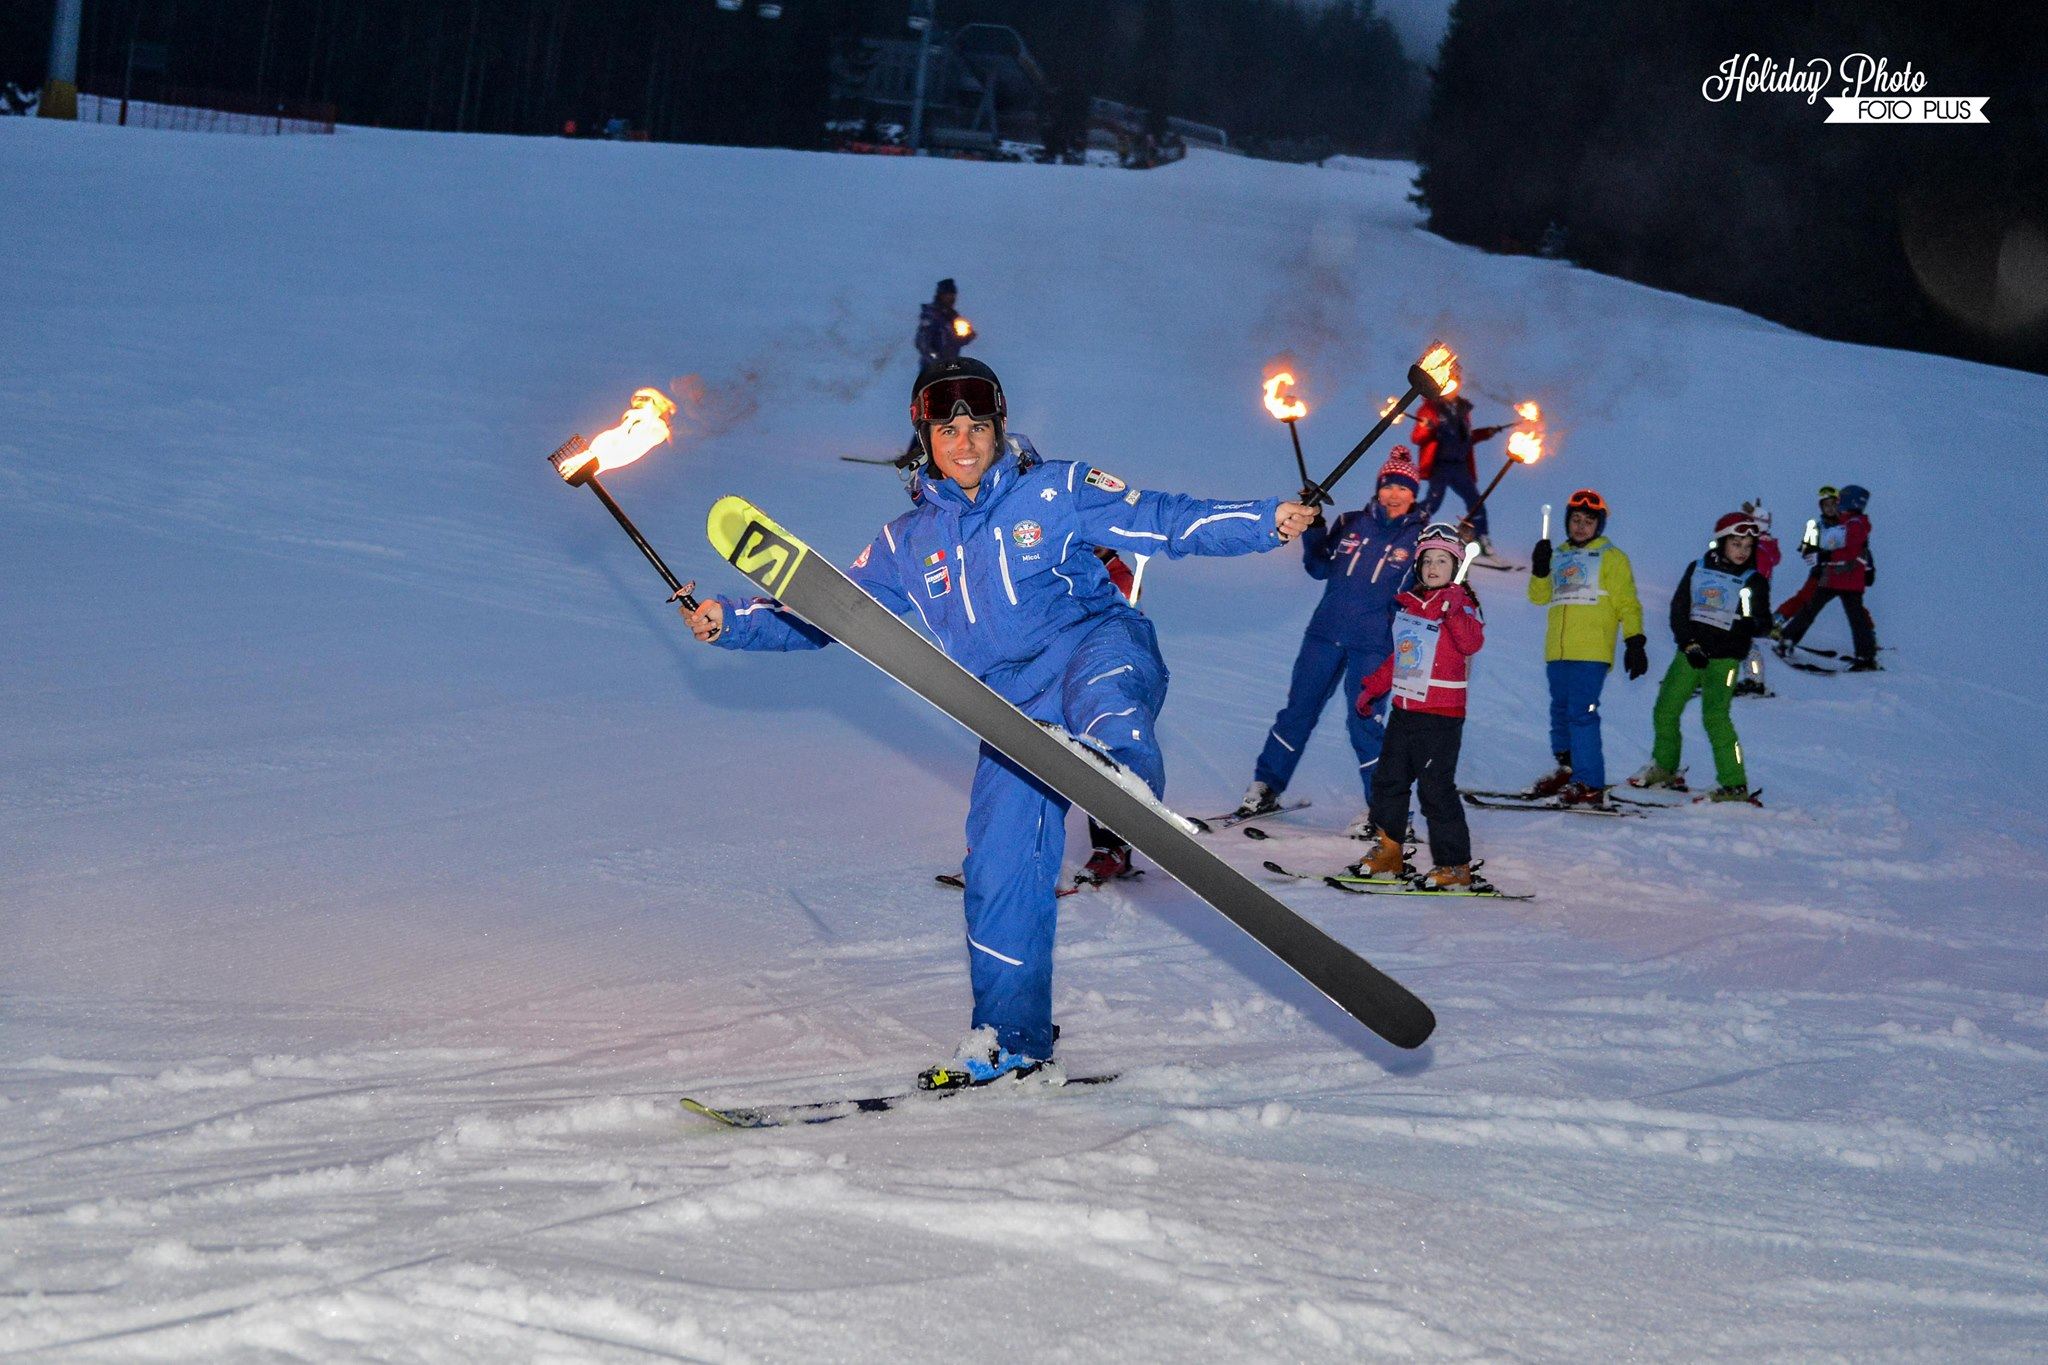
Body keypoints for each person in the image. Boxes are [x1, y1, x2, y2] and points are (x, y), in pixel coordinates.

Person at [680, 358, 1317, 1089]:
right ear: (926, 440)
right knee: (999, 867)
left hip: (1095, 645)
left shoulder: (1058, 489)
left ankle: (1121, 783)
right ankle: (1011, 1038)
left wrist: (1264, 520)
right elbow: (832, 612)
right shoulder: (906, 543)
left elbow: (1162, 518)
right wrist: (731, 620)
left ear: (999, 429)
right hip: (1012, 716)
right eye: (948, 430)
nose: (966, 442)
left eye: (978, 427)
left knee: (1106, 695)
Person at [1237, 450, 1428, 836]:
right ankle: (1266, 786)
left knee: (1365, 724)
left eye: (1403, 489)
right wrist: (1316, 527)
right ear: (1379, 488)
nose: (1394, 495)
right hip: (1324, 634)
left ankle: (1388, 812)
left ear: (1413, 495)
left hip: (1374, 645)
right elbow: (1319, 566)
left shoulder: (1419, 538)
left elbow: (1423, 593)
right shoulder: (1351, 523)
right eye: (1388, 486)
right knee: (1297, 711)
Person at [1349, 523, 1487, 889]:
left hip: (1441, 715)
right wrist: (1373, 688)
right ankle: (1389, 850)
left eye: (1442, 560)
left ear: (1455, 566)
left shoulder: (1463, 604)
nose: (1432, 567)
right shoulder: (1412, 606)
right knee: (1388, 780)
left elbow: (1471, 644)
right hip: (1405, 710)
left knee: (1434, 789)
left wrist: (1454, 610)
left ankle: (1455, 865)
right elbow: (1403, 656)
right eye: (1427, 560)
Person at [1632, 512, 1773, 801]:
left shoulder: (1754, 580)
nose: (1742, 551)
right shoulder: (1697, 569)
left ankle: (1734, 784)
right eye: (1736, 544)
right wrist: (1687, 642)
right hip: (1691, 653)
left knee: (1716, 718)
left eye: (1748, 546)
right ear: (1722, 542)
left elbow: (1764, 624)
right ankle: (1665, 767)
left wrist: (1751, 621)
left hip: (1726, 660)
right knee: (1665, 710)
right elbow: (1679, 608)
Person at [1525, 488, 1648, 808]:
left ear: (1599, 525)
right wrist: (1540, 568)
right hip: (1558, 651)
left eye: (1588, 521)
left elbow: (1627, 603)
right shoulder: (1559, 554)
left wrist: (1635, 641)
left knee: (1581, 713)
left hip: (1592, 651)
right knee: (1560, 711)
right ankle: (1568, 768)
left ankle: (1589, 781)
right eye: (1576, 520)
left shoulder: (1612, 557)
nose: (1581, 527)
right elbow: (1539, 597)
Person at [1777, 484, 1878, 669]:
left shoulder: (1855, 524)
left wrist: (1824, 556)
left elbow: (1853, 552)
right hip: (1833, 576)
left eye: (1840, 500)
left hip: (1846, 577)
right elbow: (1827, 544)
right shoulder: (1845, 522)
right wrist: (1817, 552)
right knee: (1812, 607)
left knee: (1853, 616)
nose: (1837, 503)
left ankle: (1866, 656)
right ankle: (1787, 639)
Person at [1411, 395, 1507, 558]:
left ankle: (1480, 538)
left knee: (1475, 502)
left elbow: (1466, 438)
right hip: (1440, 464)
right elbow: (1417, 437)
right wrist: (1426, 427)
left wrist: (1486, 432)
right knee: (1433, 501)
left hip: (1459, 467)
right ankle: (1409, 527)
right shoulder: (1431, 408)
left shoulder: (1462, 410)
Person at [896, 280, 976, 468]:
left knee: (947, 411)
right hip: (932, 373)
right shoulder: (932, 315)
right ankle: (915, 451)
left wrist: (966, 335)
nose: (951, 298)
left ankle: (929, 449)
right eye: (948, 294)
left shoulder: (952, 317)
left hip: (949, 372)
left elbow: (958, 340)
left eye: (953, 295)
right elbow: (922, 342)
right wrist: (935, 359)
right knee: (930, 411)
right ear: (941, 294)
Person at [1771, 485, 1838, 633]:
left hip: (1843, 572)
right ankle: (1776, 622)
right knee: (1806, 598)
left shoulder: (1845, 526)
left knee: (1853, 602)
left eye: (1833, 505)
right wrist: (1814, 552)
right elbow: (1806, 549)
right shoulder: (1816, 527)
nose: (1830, 509)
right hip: (1821, 572)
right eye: (1826, 505)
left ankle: (1868, 635)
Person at [1733, 498, 1780, 697]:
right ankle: (1753, 680)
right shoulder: (1761, 548)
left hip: (1747, 601)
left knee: (1738, 636)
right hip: (1747, 600)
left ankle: (1754, 681)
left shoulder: (1759, 551)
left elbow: (1753, 578)